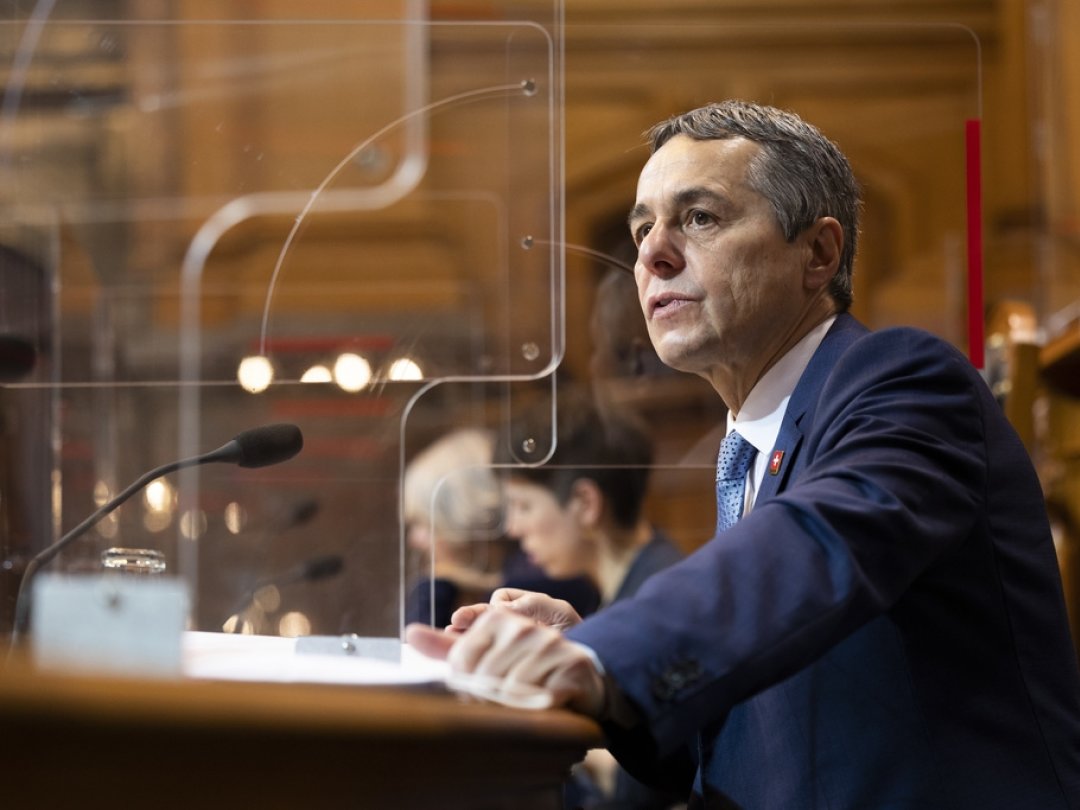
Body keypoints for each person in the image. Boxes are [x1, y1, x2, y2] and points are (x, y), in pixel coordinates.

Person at [407, 99, 1080, 808]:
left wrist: (610, 656)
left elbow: (816, 549)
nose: (652, 254)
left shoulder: (905, 381)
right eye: (642, 228)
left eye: (699, 218)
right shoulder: (752, 442)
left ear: (819, 253)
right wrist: (596, 648)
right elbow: (753, 741)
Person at [497, 389, 684, 809]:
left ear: (584, 503)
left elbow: (639, 790)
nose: (512, 527)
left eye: (523, 505)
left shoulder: (655, 596)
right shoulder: (633, 585)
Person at [403, 427, 599, 628]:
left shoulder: (532, 584)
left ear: (466, 516)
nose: (415, 539)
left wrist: (434, 586)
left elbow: (420, 639)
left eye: (424, 523)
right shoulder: (498, 580)